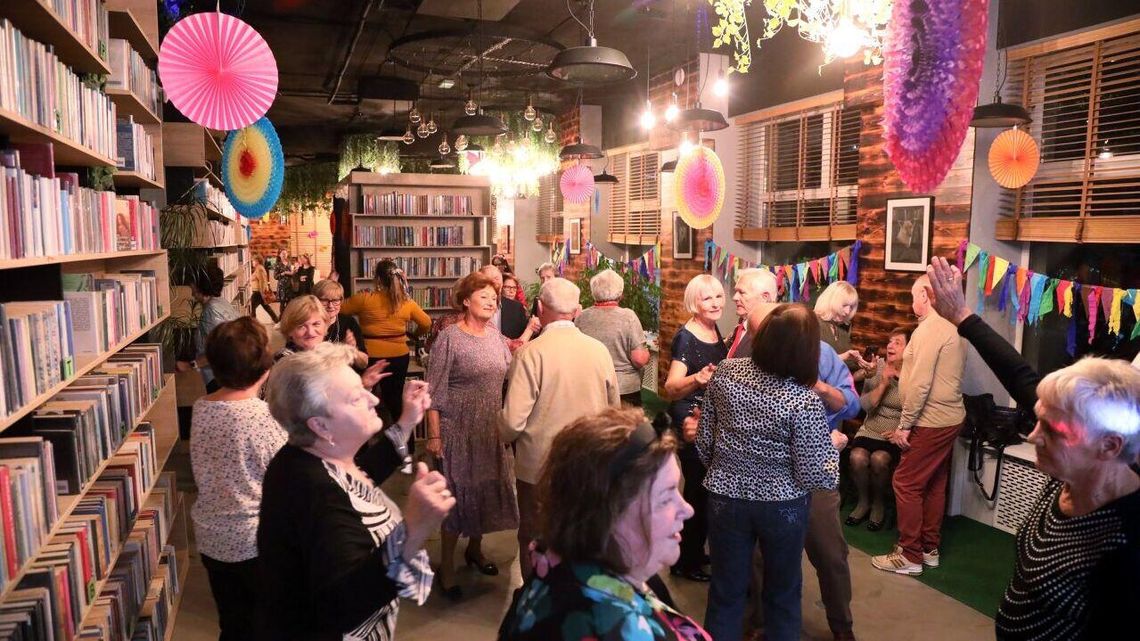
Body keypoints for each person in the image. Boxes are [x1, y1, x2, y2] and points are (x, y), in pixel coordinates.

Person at [923, 257, 1140, 640]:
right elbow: (1021, 377)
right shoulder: (1071, 471)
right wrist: (962, 316)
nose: (1034, 436)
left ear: (1108, 446)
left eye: (1052, 431)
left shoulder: (1126, 540)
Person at [256, 343, 452, 640]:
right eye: (355, 398)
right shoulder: (311, 488)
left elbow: (361, 472)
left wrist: (407, 422)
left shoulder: (315, 453)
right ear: (321, 425)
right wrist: (413, 529)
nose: (373, 398)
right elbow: (344, 604)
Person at [498, 408, 710, 641]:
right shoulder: (610, 627)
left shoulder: (561, 562)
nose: (687, 510)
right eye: (666, 498)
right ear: (608, 512)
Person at [698, 303, 840, 641]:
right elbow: (814, 474)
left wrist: (730, 472)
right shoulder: (803, 400)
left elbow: (705, 443)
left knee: (725, 592)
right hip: (782, 507)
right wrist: (835, 448)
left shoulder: (726, 373)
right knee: (783, 594)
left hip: (724, 498)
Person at [741, 302, 859, 641]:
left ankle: (842, 626)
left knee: (830, 553)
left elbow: (851, 404)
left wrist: (819, 387)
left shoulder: (825, 355)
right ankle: (762, 623)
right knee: (762, 554)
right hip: (771, 472)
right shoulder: (757, 358)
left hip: (817, 474)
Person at [500, 277, 621, 579]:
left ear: (540, 307)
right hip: (587, 462)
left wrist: (499, 431)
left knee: (534, 535)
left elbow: (513, 420)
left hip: (537, 466)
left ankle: (534, 601)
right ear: (578, 311)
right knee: (580, 535)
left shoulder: (531, 353)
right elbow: (614, 412)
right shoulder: (599, 352)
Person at [425, 272, 518, 600]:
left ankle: (475, 551)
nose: (492, 302)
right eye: (484, 297)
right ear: (466, 301)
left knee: (484, 492)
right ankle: (447, 567)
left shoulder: (495, 335)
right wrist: (434, 437)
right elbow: (432, 391)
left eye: (494, 298)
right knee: (456, 496)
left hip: (488, 429)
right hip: (456, 430)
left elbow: (512, 370)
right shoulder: (450, 337)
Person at [191, 317, 284, 641]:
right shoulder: (262, 417)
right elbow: (283, 474)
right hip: (254, 540)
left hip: (211, 536)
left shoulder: (202, 407)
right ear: (265, 368)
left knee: (233, 623)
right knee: (269, 624)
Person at [871, 274, 967, 575]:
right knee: (935, 481)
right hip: (950, 417)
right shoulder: (953, 326)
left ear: (925, 296)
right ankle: (928, 547)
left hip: (932, 419)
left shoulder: (930, 330)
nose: (912, 301)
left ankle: (909, 554)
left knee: (906, 482)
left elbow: (922, 384)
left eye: (914, 295)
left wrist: (905, 425)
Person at [663, 274, 727, 582]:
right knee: (698, 491)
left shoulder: (714, 329)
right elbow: (671, 387)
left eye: (718, 296)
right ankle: (683, 561)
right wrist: (697, 379)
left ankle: (692, 550)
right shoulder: (687, 337)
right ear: (694, 303)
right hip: (690, 417)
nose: (715, 303)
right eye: (707, 298)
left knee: (704, 491)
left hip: (709, 417)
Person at [341, 259, 432, 422]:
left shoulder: (364, 299)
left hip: (370, 356)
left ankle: (363, 438)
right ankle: (405, 443)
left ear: (378, 279)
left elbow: (337, 309)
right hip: (399, 356)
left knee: (364, 397)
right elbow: (426, 323)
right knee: (395, 399)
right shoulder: (407, 302)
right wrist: (414, 335)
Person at [847, 327, 910, 531]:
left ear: (910, 349)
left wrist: (901, 430)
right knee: (857, 457)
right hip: (870, 428)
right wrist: (882, 383)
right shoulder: (876, 366)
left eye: (898, 342)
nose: (891, 345)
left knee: (879, 460)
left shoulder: (913, 374)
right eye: (890, 341)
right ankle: (863, 502)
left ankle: (879, 504)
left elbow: (914, 410)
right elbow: (865, 405)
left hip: (893, 433)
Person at [575, 269, 650, 407]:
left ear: (593, 292)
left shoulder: (581, 317)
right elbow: (639, 359)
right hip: (624, 389)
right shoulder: (628, 317)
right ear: (620, 294)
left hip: (590, 386)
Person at [177, 264, 241, 392]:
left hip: (219, 377)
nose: (192, 292)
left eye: (193, 286)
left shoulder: (211, 311)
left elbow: (220, 350)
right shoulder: (222, 303)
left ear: (201, 286)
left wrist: (190, 365)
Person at [815, 281, 872, 377]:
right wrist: (843, 357)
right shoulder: (811, 323)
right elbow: (810, 364)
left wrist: (867, 372)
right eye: (844, 305)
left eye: (851, 307)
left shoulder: (843, 329)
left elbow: (848, 376)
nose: (847, 312)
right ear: (830, 301)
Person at [725, 268, 779, 358]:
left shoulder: (774, 334)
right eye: (736, 291)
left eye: (742, 292)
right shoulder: (740, 327)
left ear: (765, 297)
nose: (735, 297)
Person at [313, 279, 369, 365]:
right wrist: (340, 349)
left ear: (341, 301)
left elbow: (364, 363)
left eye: (335, 300)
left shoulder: (349, 322)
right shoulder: (307, 323)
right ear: (315, 301)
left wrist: (352, 350)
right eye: (324, 300)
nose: (330, 305)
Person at [250, 253, 279, 323]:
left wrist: (262, 293)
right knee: (266, 308)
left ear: (257, 261)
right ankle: (277, 321)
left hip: (258, 292)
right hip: (259, 292)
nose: (252, 262)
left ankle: (252, 324)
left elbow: (262, 282)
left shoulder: (259, 269)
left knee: (252, 308)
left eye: (253, 261)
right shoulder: (258, 268)